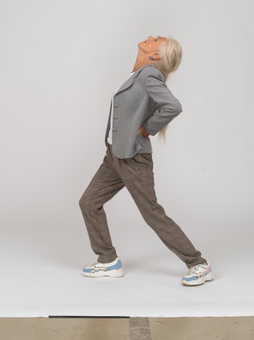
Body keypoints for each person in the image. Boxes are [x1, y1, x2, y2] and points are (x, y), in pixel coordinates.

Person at [79, 35, 213, 286]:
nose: (150, 37)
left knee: (152, 214)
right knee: (89, 202)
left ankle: (198, 264)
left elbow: (172, 106)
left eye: (157, 39)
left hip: (133, 157)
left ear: (156, 56)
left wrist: (147, 128)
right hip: (115, 155)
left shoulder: (149, 74)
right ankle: (108, 261)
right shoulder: (139, 75)